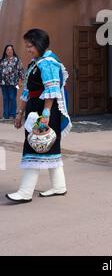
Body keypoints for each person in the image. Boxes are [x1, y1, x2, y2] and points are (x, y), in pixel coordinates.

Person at [6, 29, 72, 204]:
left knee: (36, 145)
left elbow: (51, 91)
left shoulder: (48, 63)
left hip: (45, 111)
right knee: (48, 146)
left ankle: (25, 192)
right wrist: (20, 113)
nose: (28, 49)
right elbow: (27, 90)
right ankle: (59, 186)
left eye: (30, 46)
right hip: (35, 109)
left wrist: (46, 114)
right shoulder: (35, 63)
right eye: (27, 46)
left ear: (39, 44)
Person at [0, 45, 24, 120]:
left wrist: (20, 81)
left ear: (13, 51)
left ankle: (12, 115)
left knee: (12, 97)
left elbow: (21, 71)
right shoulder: (2, 60)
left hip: (13, 83)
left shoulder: (17, 60)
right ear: (5, 51)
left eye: (11, 49)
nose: (9, 51)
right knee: (5, 98)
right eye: (8, 50)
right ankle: (5, 115)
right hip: (3, 83)